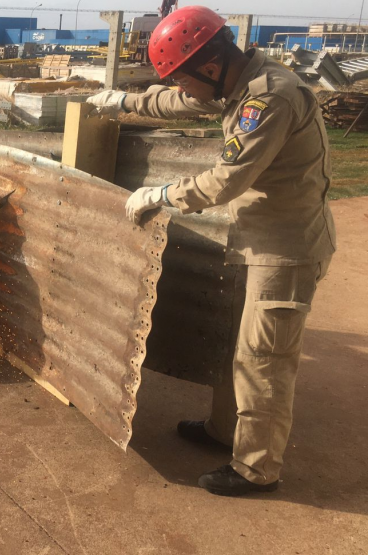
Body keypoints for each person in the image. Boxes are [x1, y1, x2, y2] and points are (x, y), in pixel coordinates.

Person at [87, 5, 336, 497]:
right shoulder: (236, 81)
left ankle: (256, 469)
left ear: (208, 64)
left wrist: (161, 195)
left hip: (285, 250)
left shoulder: (269, 99)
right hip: (258, 238)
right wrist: (121, 101)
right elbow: (176, 104)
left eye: (183, 77)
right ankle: (226, 432)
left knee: (263, 359)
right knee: (235, 344)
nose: (182, 89)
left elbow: (225, 180)